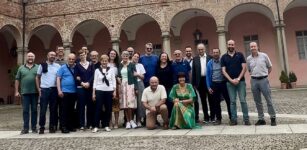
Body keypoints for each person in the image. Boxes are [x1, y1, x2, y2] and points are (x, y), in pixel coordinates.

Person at [221, 40, 251, 126]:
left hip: (240, 82)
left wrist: (238, 79)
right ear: (227, 45)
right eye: (229, 44)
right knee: (232, 102)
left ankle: (246, 119)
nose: (231, 46)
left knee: (243, 101)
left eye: (232, 44)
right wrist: (231, 80)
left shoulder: (240, 55)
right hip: (230, 83)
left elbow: (244, 68)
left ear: (234, 45)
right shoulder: (223, 57)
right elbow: (223, 71)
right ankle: (233, 119)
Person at [247, 42, 276, 126]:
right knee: (257, 101)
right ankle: (261, 119)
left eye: (254, 46)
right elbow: (249, 70)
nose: (253, 48)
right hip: (254, 81)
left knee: (268, 99)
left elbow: (270, 67)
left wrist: (264, 75)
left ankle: (273, 118)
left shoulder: (264, 56)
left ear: (257, 47)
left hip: (263, 80)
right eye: (251, 47)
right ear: (250, 48)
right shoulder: (248, 58)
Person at [35, 51, 61, 134]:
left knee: (53, 110)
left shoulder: (58, 66)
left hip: (54, 90)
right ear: (47, 56)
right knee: (43, 109)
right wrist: (39, 88)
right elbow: (37, 77)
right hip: (44, 89)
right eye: (51, 55)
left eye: (54, 55)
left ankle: (52, 126)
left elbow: (59, 78)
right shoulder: (42, 65)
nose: (52, 56)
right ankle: (41, 127)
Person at [15, 52, 39, 134]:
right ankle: (25, 128)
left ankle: (34, 127)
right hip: (24, 93)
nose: (30, 58)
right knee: (25, 110)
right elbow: (17, 79)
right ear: (26, 57)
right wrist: (16, 91)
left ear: (34, 58)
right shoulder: (21, 68)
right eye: (29, 56)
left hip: (35, 92)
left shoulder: (38, 67)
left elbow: (41, 78)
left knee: (34, 110)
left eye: (32, 56)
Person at [206, 48, 231, 125]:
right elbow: (207, 75)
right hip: (214, 84)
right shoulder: (210, 63)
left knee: (228, 101)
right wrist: (208, 87)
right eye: (214, 52)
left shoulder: (223, 61)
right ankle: (219, 119)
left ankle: (232, 117)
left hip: (224, 83)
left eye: (217, 52)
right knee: (216, 102)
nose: (215, 54)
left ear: (219, 53)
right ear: (212, 54)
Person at [92, 55, 117, 132]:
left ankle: (106, 125)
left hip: (109, 91)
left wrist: (114, 91)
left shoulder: (111, 70)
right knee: (98, 108)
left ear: (107, 62)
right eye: (103, 61)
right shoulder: (97, 70)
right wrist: (93, 93)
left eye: (106, 61)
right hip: (99, 91)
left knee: (108, 109)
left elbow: (113, 81)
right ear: (101, 61)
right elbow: (95, 82)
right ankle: (96, 126)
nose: (104, 62)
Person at [191, 43, 213, 124]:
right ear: (197, 50)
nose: (200, 51)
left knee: (211, 100)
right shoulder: (195, 59)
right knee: (203, 100)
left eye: (202, 49)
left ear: (205, 49)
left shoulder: (210, 58)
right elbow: (194, 72)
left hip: (209, 81)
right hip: (200, 82)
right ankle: (206, 117)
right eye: (199, 49)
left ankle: (212, 116)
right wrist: (194, 84)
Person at [56, 53, 77, 133]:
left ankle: (70, 125)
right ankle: (63, 126)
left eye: (73, 59)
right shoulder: (63, 68)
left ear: (75, 60)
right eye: (70, 59)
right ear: (67, 59)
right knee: (64, 110)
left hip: (73, 92)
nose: (71, 60)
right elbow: (58, 79)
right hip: (64, 92)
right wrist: (59, 90)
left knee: (71, 110)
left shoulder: (76, 67)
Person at [75, 49, 95, 130]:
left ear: (86, 55)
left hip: (89, 87)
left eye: (83, 54)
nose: (82, 56)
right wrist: (82, 83)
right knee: (81, 107)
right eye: (80, 55)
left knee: (90, 106)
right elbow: (76, 76)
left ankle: (89, 123)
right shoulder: (77, 65)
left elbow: (93, 75)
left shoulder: (91, 64)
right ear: (79, 56)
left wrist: (88, 83)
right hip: (81, 88)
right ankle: (82, 124)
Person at [118, 51, 138, 129]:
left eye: (127, 56)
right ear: (121, 56)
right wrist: (118, 79)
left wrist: (136, 88)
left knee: (130, 104)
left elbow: (135, 76)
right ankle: (128, 122)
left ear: (129, 56)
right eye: (124, 55)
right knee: (125, 105)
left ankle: (132, 120)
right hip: (123, 85)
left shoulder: (132, 65)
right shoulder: (120, 65)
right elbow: (119, 75)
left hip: (130, 85)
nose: (125, 57)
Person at [156, 52, 173, 118]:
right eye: (162, 56)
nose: (164, 58)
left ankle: (170, 118)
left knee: (170, 102)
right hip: (160, 88)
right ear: (160, 58)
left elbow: (173, 75)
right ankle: (165, 119)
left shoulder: (170, 65)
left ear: (167, 58)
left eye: (165, 56)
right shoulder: (157, 66)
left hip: (169, 86)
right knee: (162, 103)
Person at [131, 52, 146, 127]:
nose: (136, 58)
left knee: (140, 103)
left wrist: (137, 74)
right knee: (132, 103)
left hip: (140, 84)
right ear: (132, 57)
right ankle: (130, 120)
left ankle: (138, 120)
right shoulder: (129, 64)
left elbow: (143, 77)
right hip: (131, 84)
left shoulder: (140, 65)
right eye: (135, 56)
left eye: (137, 57)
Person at [108, 49, 120, 129]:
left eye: (114, 54)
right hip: (107, 85)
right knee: (108, 104)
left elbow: (119, 75)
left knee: (116, 104)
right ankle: (110, 122)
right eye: (111, 53)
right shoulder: (106, 63)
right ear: (109, 54)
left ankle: (116, 122)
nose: (112, 55)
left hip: (116, 84)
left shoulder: (118, 64)